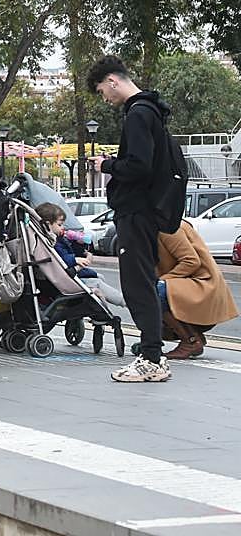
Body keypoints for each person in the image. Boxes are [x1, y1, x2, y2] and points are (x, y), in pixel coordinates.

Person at [87, 54, 173, 383]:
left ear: (113, 81)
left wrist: (106, 166)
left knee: (137, 284)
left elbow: (139, 166)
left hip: (136, 211)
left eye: (102, 91)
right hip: (146, 209)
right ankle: (152, 353)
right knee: (143, 281)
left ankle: (152, 357)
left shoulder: (138, 114)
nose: (105, 99)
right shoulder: (151, 110)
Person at [156, 220, 239, 359]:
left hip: (204, 285)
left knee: (155, 292)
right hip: (191, 283)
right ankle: (194, 336)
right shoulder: (158, 226)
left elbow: (191, 261)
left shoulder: (168, 227)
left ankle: (190, 341)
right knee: (150, 290)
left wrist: (163, 280)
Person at [34, 202, 126, 307]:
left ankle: (88, 314)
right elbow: (58, 258)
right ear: (48, 224)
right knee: (97, 283)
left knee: (100, 277)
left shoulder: (58, 239)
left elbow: (69, 252)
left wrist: (78, 244)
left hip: (68, 276)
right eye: (59, 225)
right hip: (65, 280)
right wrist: (75, 259)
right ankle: (123, 301)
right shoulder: (50, 242)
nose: (62, 227)